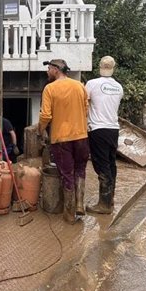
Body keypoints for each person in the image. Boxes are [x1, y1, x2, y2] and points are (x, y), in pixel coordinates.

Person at [38, 59, 89, 224]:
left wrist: (41, 130)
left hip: (62, 138)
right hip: (82, 136)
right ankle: (80, 204)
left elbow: (46, 115)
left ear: (55, 70)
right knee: (80, 169)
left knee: (67, 173)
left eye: (48, 68)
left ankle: (69, 213)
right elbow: (86, 108)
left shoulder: (50, 88)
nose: (47, 72)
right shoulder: (79, 86)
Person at [85, 56, 124, 214]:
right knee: (110, 163)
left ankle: (104, 205)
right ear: (113, 67)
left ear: (100, 67)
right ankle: (110, 199)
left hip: (98, 129)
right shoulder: (119, 87)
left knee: (101, 165)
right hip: (113, 129)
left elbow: (84, 104)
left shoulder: (92, 84)